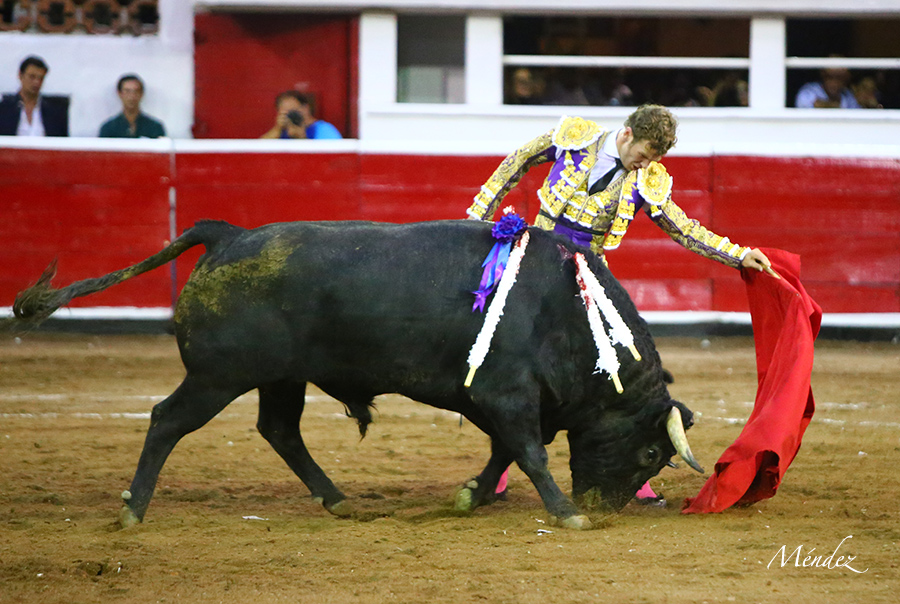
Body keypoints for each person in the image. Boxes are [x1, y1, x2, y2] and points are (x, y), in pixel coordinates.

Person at [467, 105, 775, 506]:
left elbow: (685, 229)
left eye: (652, 160)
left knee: (618, 373)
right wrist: (477, 219)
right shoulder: (574, 138)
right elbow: (517, 161)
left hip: (588, 277)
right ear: (627, 134)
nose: (643, 164)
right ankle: (500, 469)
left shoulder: (647, 179)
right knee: (509, 360)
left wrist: (738, 255)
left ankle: (636, 474)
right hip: (533, 268)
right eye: (643, 154)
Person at [0, 55, 68, 137]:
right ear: (20, 76)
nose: (37, 82)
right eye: (32, 77)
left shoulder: (55, 111)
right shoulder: (4, 108)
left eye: (41, 78)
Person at [98, 74, 166, 138]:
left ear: (141, 94)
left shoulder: (155, 127)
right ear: (119, 93)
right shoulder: (108, 128)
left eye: (136, 91)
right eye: (127, 91)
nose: (132, 96)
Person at [260, 91, 342, 140]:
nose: (290, 116)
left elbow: (331, 158)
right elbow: (257, 150)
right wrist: (277, 129)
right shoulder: (279, 132)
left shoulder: (323, 129)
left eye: (293, 111)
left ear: (305, 108)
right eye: (285, 113)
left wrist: (301, 138)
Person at [795, 66, 860, 109]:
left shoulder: (847, 95)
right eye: (830, 77)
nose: (834, 81)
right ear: (823, 75)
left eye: (839, 77)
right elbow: (804, 103)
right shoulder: (809, 90)